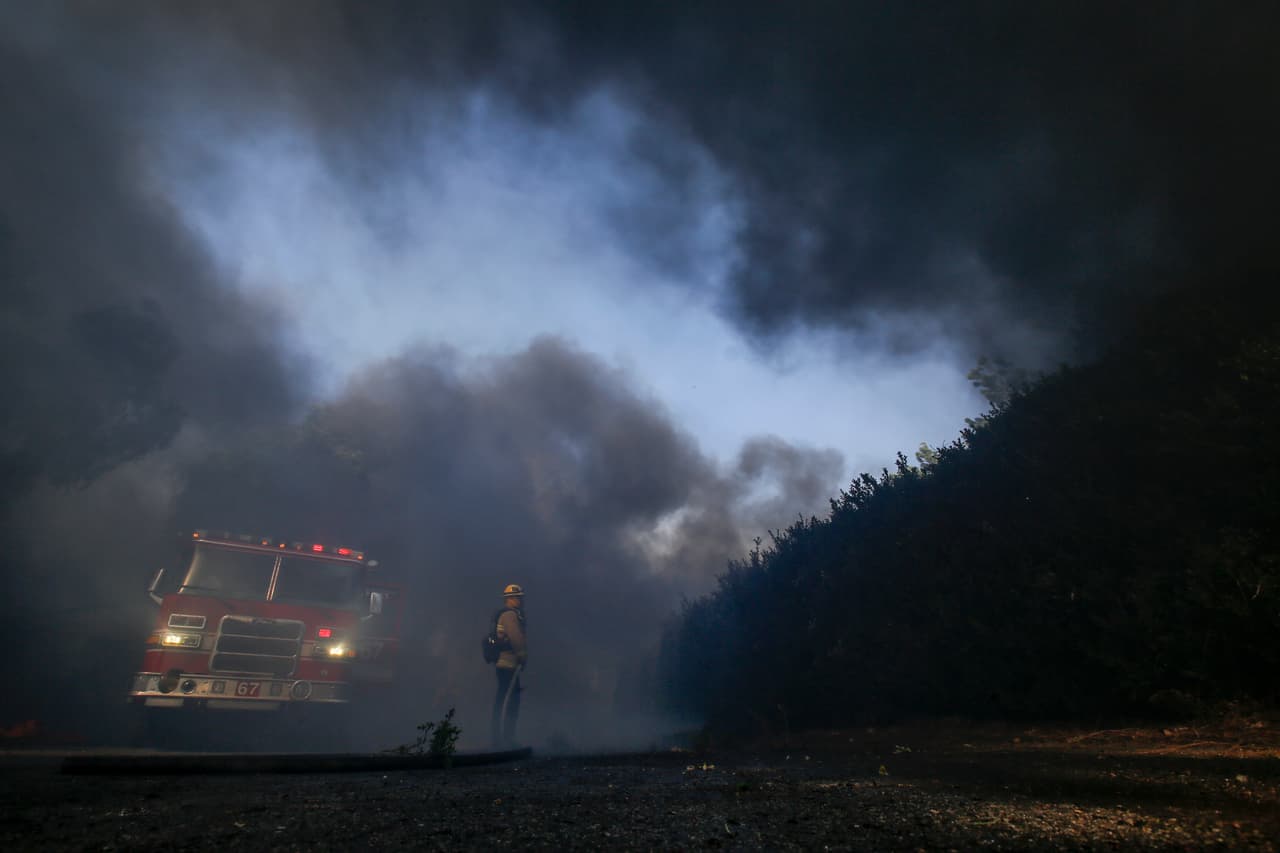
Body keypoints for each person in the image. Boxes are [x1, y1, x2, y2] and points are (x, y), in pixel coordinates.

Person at [490, 583, 527, 748]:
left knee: (504, 701)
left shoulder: (507, 614)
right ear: (510, 599)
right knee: (510, 703)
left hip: (505, 665)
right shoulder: (510, 616)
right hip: (508, 665)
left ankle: (501, 738)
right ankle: (505, 739)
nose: (520, 600)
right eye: (517, 597)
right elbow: (516, 637)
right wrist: (522, 655)